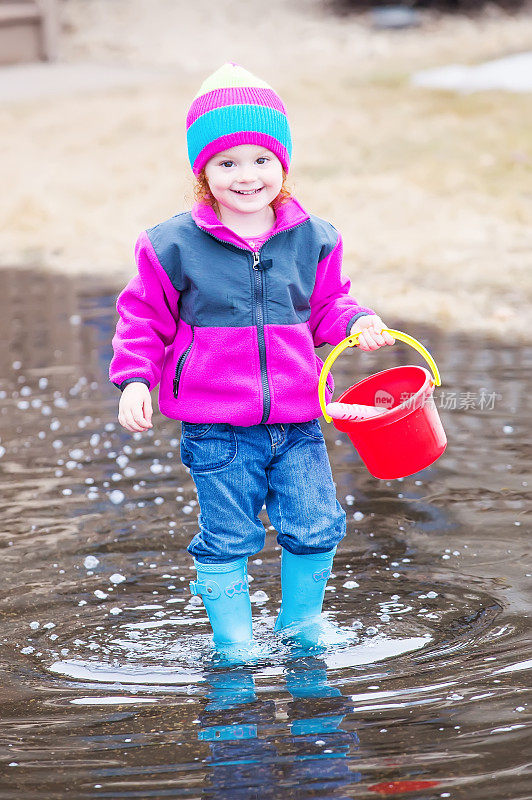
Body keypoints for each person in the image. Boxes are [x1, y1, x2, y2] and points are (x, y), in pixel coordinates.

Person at [109, 62, 395, 653]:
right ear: (203, 172)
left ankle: (300, 634)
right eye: (227, 163)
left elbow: (326, 308)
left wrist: (357, 320)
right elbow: (143, 319)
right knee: (229, 537)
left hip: (297, 419)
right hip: (216, 426)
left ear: (283, 164)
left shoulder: (314, 237)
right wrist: (135, 379)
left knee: (316, 529)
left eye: (262, 159)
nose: (247, 176)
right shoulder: (170, 244)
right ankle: (234, 650)